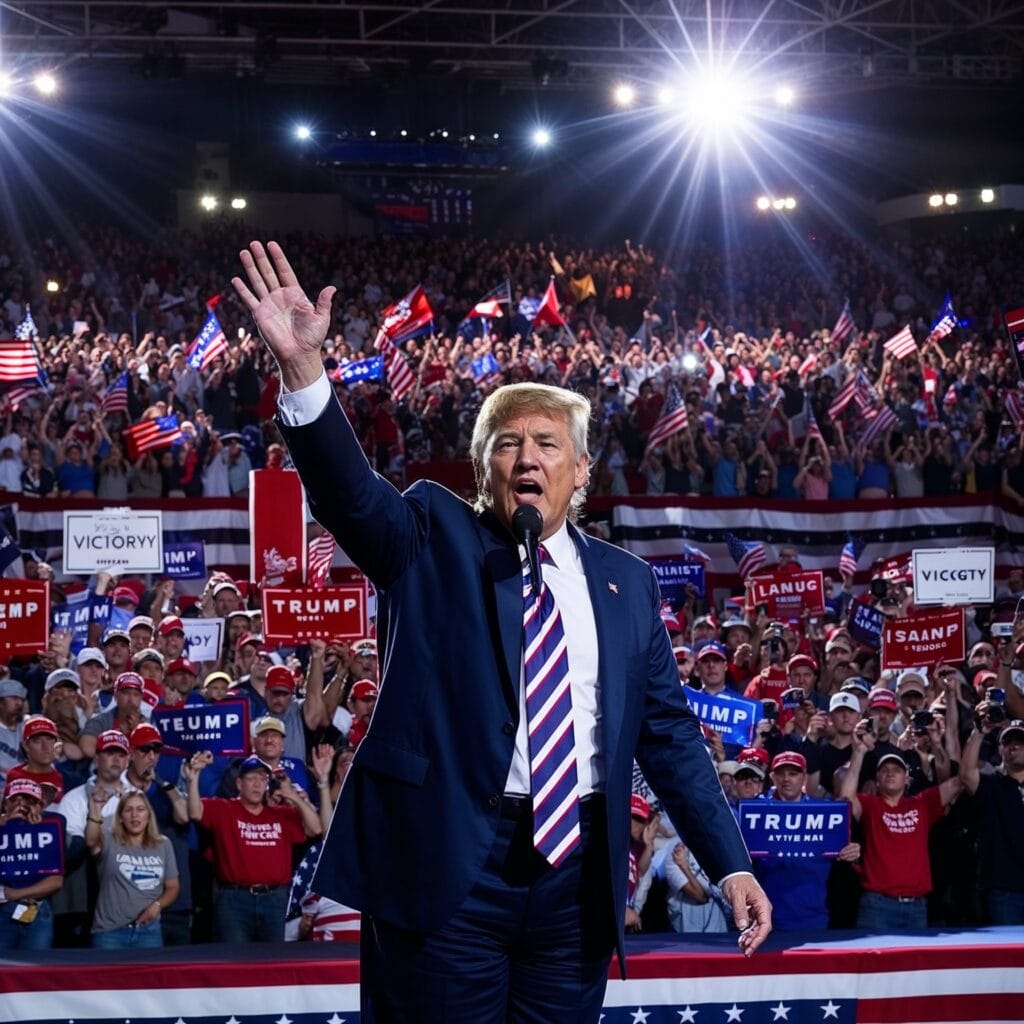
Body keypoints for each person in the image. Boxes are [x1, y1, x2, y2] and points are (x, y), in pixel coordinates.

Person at [233, 240, 769, 1023]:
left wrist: (729, 866)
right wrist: (306, 377)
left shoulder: (627, 583)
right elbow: (351, 497)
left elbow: (670, 739)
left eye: (547, 444)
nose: (527, 457)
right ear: (481, 469)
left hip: (577, 879)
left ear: (580, 470)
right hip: (449, 865)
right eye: (506, 444)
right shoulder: (429, 531)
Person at [184, 750, 324, 942]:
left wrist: (293, 795)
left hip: (274, 899)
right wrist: (193, 778)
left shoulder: (282, 814)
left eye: (263, 779)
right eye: (251, 778)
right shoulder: (224, 809)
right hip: (234, 900)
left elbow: (316, 829)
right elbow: (194, 812)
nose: (258, 784)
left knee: (272, 964)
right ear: (239, 784)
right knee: (235, 962)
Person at [840, 723, 962, 930]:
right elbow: (846, 798)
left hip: (917, 907)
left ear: (907, 779)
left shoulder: (922, 803)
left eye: (897, 770)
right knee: (871, 964)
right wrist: (859, 751)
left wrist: (936, 741)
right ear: (876, 780)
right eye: (884, 771)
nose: (890, 774)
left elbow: (960, 781)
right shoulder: (870, 804)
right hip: (876, 905)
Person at [85, 790, 180, 949]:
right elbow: (90, 841)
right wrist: (95, 809)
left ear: (148, 815)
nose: (134, 815)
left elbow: (173, 887)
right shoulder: (108, 839)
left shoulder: (163, 844)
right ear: (121, 817)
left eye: (140, 809)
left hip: (149, 932)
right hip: (110, 934)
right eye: (128, 810)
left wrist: (157, 906)